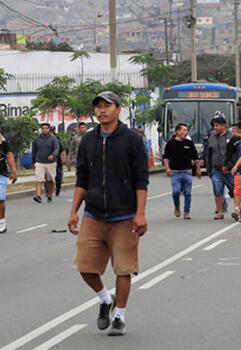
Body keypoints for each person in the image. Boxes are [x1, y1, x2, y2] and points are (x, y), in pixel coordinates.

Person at [68, 91, 149, 336]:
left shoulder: (132, 139)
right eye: (98, 107)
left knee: (123, 269)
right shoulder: (88, 140)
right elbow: (82, 178)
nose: (102, 110)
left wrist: (140, 213)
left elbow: (141, 179)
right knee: (85, 266)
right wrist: (74, 211)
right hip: (93, 214)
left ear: (118, 109)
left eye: (107, 106)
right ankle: (104, 299)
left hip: (124, 216)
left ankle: (120, 316)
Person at [163, 123, 201, 219]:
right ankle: (177, 207)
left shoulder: (189, 143)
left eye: (186, 130)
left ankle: (186, 212)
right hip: (175, 172)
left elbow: (195, 157)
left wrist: (198, 169)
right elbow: (166, 157)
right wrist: (167, 168)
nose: (185, 132)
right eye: (183, 130)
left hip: (187, 172)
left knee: (187, 193)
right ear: (177, 132)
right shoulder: (171, 143)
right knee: (176, 191)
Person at [204, 116, 234, 220]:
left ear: (224, 125)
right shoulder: (211, 138)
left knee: (235, 191)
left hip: (230, 171)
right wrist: (209, 170)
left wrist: (231, 166)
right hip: (216, 170)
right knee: (217, 191)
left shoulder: (232, 136)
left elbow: (235, 153)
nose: (215, 128)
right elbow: (208, 154)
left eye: (217, 125)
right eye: (214, 126)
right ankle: (220, 212)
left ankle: (238, 210)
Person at [31, 123, 59, 203]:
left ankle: (50, 195)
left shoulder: (53, 139)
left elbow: (57, 148)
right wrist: (33, 162)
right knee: (39, 179)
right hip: (39, 162)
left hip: (51, 163)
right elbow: (34, 152)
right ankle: (38, 195)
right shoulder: (36, 140)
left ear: (49, 129)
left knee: (50, 180)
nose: (45, 130)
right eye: (43, 128)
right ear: (41, 129)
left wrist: (53, 155)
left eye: (46, 128)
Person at [0, 132, 18, 233]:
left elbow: (9, 156)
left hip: (1, 173)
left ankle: (2, 223)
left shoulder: (4, 142)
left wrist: (14, 171)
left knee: (0, 199)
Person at [51, 126, 67, 197]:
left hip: (57, 161)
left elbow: (63, 150)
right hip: (47, 162)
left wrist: (64, 159)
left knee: (58, 177)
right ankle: (48, 191)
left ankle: (58, 189)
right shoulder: (43, 139)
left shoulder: (57, 140)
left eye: (52, 132)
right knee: (48, 177)